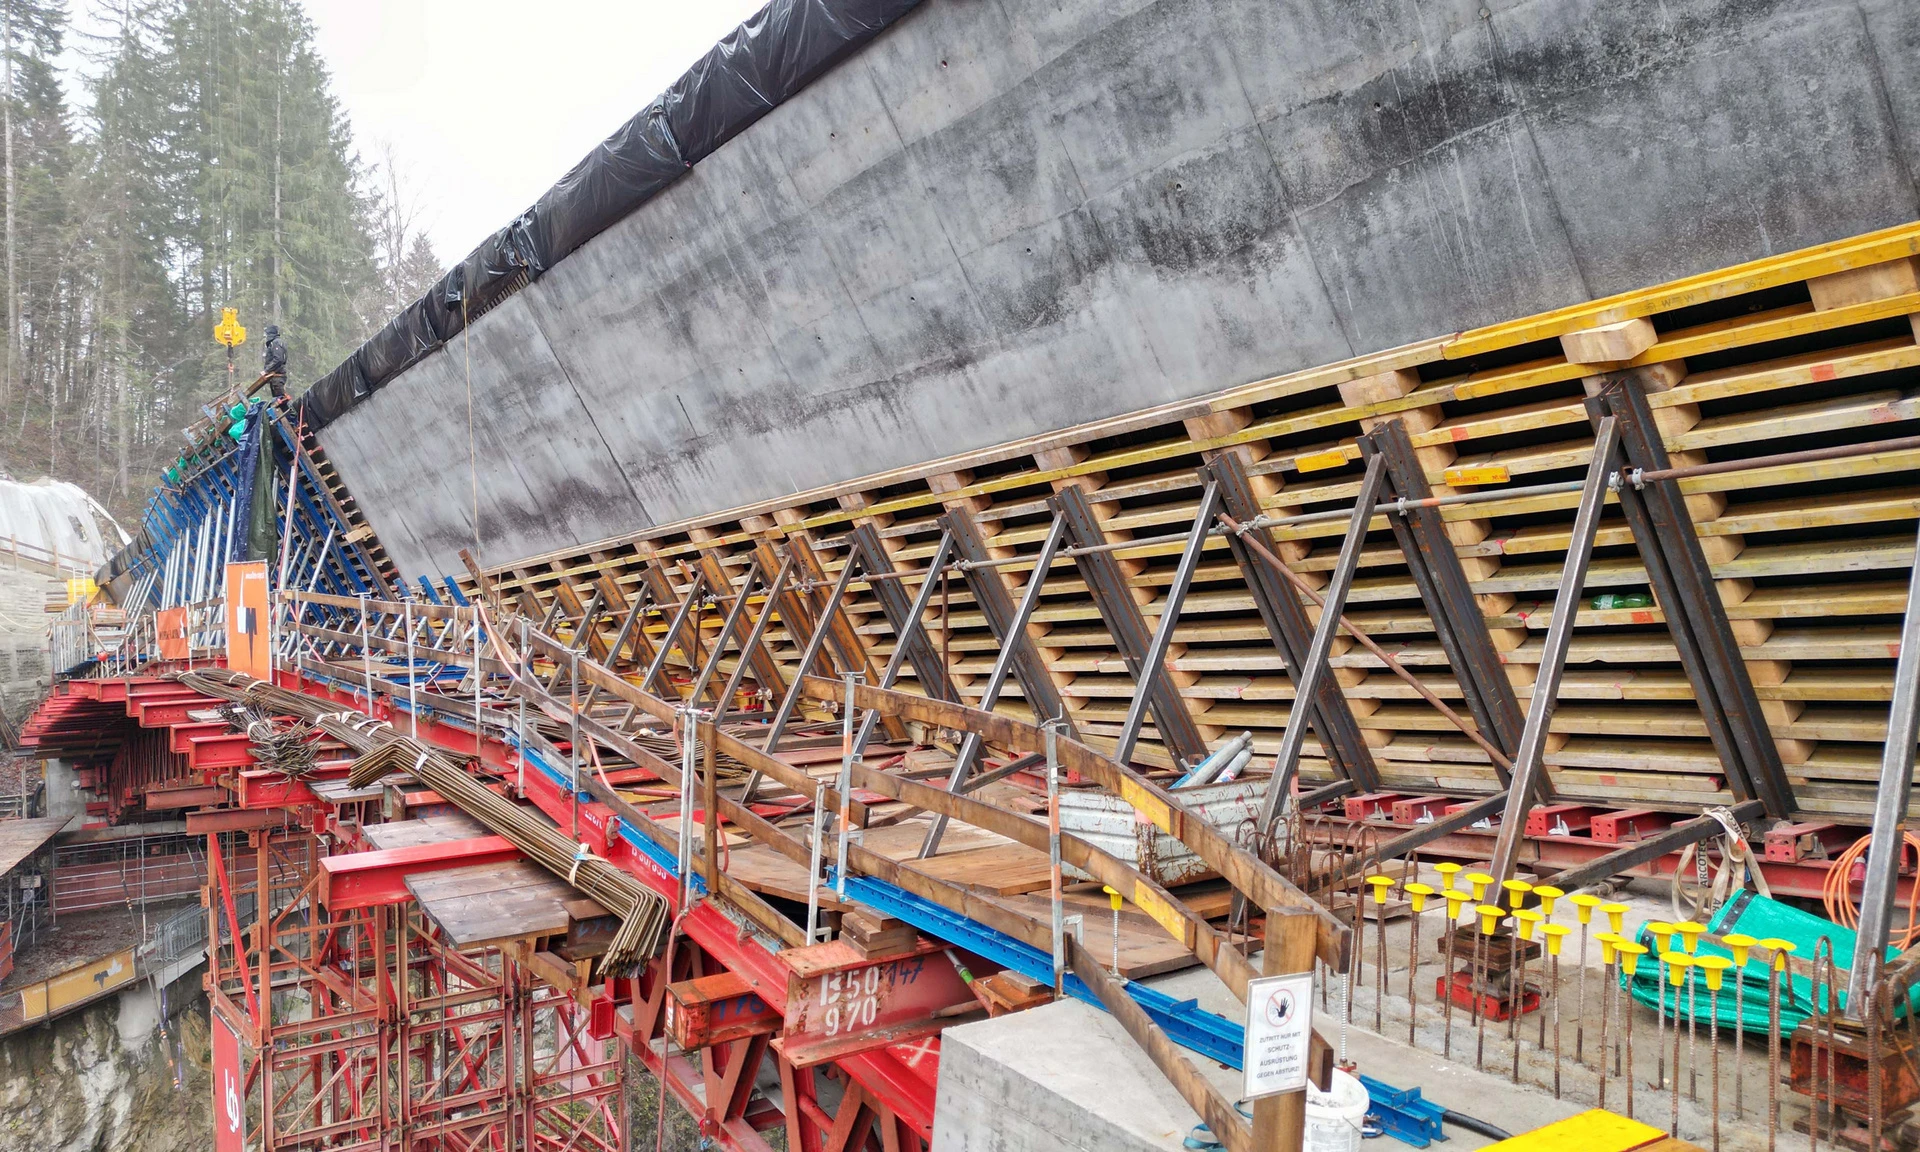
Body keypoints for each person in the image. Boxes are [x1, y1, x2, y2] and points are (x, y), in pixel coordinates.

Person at [262, 324, 288, 399]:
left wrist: (266, 370)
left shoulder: (276, 343)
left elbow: (278, 359)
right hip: (275, 376)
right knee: (278, 399)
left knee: (280, 400)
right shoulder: (275, 343)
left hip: (277, 376)